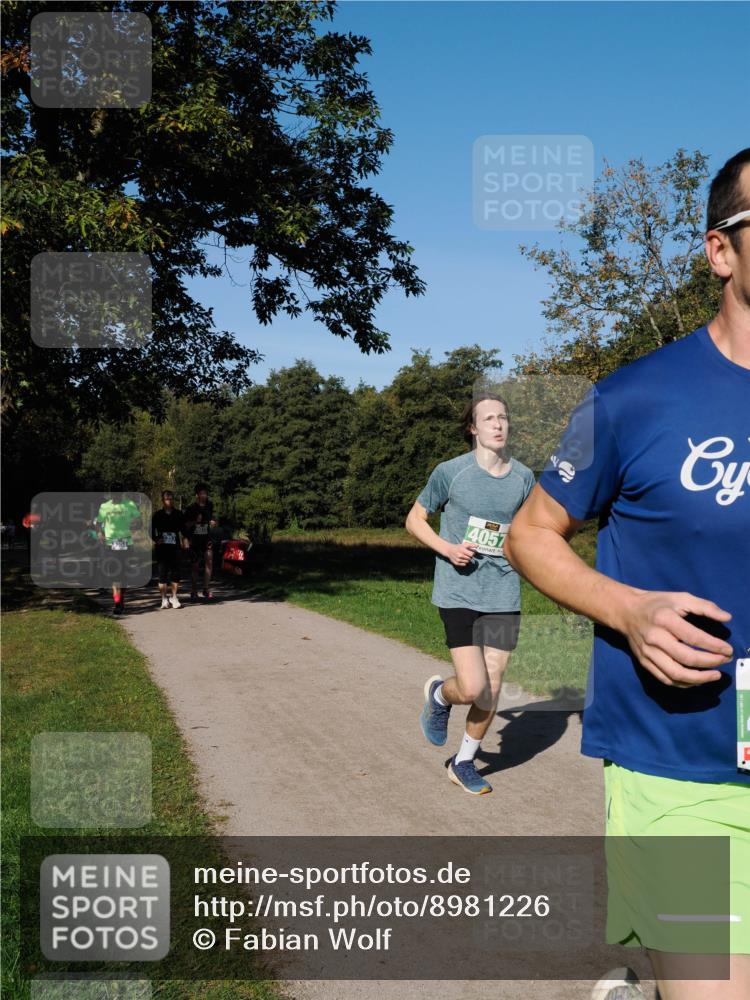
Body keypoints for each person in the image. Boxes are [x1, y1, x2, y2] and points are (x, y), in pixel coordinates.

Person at [503, 148, 750, 999]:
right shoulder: (631, 399)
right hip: (682, 767)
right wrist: (629, 610)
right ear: (720, 251)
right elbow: (531, 533)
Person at [405, 394, 535, 795]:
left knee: (492, 686)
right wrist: (447, 549)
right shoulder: (451, 472)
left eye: (503, 417)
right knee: (473, 686)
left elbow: (531, 531)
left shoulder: (523, 478)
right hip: (458, 589)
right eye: (488, 418)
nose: (498, 424)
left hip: (503, 592)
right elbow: (415, 519)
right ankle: (440, 695)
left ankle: (463, 761)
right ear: (473, 428)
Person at [95, 491, 142, 615]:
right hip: (111, 545)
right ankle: (117, 603)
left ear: (122, 494)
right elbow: (98, 523)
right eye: (114, 494)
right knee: (115, 576)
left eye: (119, 494)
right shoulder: (105, 506)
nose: (116, 496)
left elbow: (139, 520)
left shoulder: (129, 504)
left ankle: (121, 599)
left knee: (124, 576)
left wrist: (135, 526)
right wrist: (99, 533)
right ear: (111, 494)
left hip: (126, 543)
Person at [183, 482, 218, 600]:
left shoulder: (210, 505)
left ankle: (206, 589)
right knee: (195, 566)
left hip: (206, 539)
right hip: (195, 540)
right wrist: (195, 522)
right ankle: (193, 591)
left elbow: (212, 519)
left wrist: (213, 522)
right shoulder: (191, 508)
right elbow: (185, 525)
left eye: (205, 493)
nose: (204, 496)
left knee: (209, 560)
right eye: (201, 493)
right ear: (196, 495)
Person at [151, 490, 185, 609]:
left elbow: (184, 530)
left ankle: (174, 597)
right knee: (162, 574)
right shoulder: (157, 515)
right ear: (163, 500)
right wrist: (156, 539)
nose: (169, 501)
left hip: (175, 547)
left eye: (170, 499)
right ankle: (164, 599)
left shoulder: (178, 514)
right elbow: (150, 530)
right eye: (166, 499)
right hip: (162, 548)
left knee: (176, 573)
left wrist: (186, 540)